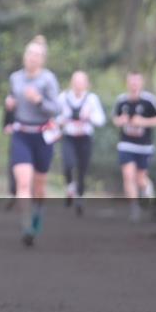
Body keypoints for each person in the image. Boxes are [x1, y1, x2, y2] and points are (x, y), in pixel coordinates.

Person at [4, 35, 61, 246]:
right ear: (24, 56)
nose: (32, 58)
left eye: (37, 55)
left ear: (43, 59)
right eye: (30, 54)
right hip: (21, 134)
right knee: (23, 182)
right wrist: (9, 104)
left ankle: (38, 213)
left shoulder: (48, 79)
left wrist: (39, 101)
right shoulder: (15, 78)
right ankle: (26, 225)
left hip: (42, 135)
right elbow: (12, 100)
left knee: (39, 188)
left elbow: (56, 108)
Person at [112, 72, 156, 221]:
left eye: (136, 82)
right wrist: (120, 121)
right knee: (128, 175)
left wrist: (143, 122)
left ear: (141, 83)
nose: (134, 85)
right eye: (131, 82)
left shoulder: (149, 101)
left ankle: (147, 189)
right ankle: (134, 208)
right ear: (127, 83)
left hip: (144, 146)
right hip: (126, 144)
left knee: (140, 179)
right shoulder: (121, 101)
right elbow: (115, 119)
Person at [56, 71, 106, 216]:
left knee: (82, 169)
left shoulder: (92, 99)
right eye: (75, 82)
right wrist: (63, 119)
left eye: (81, 82)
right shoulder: (63, 98)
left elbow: (101, 120)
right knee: (68, 164)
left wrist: (89, 116)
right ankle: (70, 187)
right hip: (69, 137)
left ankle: (79, 197)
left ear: (86, 84)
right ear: (72, 83)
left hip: (85, 138)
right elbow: (54, 116)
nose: (78, 85)